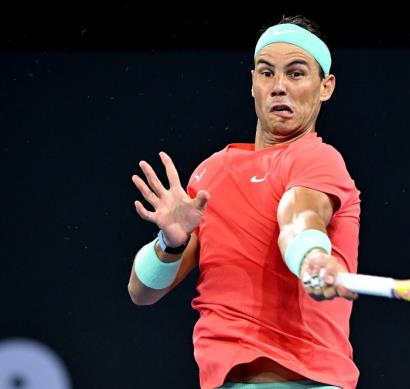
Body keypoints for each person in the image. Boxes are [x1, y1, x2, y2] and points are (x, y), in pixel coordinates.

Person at [128, 15, 361, 389]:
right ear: (253, 82)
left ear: (325, 87)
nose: (279, 87)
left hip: (306, 382)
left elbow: (298, 217)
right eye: (267, 73)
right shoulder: (209, 175)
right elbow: (141, 293)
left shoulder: (317, 159)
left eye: (296, 74)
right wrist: (170, 244)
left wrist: (312, 256)